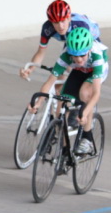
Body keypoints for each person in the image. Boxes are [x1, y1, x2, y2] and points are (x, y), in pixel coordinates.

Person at [32, 27, 107, 155]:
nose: (78, 60)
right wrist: (38, 103)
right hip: (78, 71)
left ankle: (87, 137)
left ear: (89, 49)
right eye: (75, 56)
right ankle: (65, 149)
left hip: (95, 72)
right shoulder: (66, 55)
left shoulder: (97, 56)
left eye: (82, 55)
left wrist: (85, 112)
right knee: (62, 101)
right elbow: (50, 82)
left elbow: (96, 94)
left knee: (85, 94)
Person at [19, 0, 101, 80]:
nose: (60, 26)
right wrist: (30, 69)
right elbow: (41, 52)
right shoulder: (47, 28)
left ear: (69, 18)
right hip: (70, 38)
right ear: (51, 22)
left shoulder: (80, 25)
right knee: (62, 76)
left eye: (63, 21)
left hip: (89, 37)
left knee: (78, 70)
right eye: (56, 22)